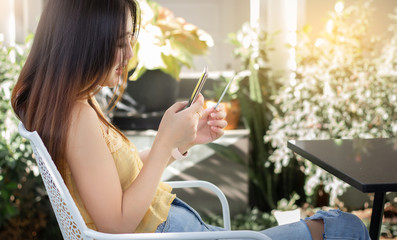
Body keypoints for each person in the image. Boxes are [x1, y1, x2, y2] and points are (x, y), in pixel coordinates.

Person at [11, 0, 370, 239]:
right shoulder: (78, 118)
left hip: (178, 228)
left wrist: (180, 144)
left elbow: (122, 181)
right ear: (84, 42)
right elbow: (115, 224)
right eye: (119, 42)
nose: (129, 54)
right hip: (171, 235)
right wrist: (166, 139)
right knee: (344, 227)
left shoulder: (76, 105)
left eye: (130, 40)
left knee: (335, 226)